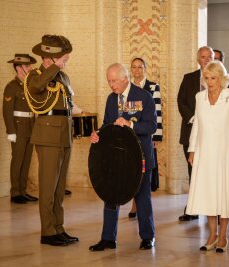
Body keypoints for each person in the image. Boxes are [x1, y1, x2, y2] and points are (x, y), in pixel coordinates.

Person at [89, 63, 157, 251]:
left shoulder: (144, 97)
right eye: (109, 81)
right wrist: (97, 134)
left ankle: (147, 237)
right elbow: (106, 124)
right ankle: (108, 238)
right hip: (116, 158)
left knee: (142, 198)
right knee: (111, 195)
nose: (111, 85)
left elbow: (152, 127)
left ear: (125, 78)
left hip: (139, 157)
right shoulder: (111, 99)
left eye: (114, 81)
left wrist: (130, 124)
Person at [26, 34, 78, 246]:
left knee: (58, 188)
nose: (66, 61)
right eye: (63, 58)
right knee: (48, 187)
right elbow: (36, 88)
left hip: (64, 133)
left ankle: (58, 227)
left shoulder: (62, 77)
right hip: (48, 135)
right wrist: (54, 67)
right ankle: (47, 232)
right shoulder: (36, 75)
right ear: (51, 57)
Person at [186, 61, 229, 252]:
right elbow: (196, 125)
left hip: (225, 151)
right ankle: (212, 234)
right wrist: (192, 150)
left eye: (213, 78)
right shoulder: (199, 97)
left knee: (224, 192)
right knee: (209, 193)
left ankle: (223, 235)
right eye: (207, 78)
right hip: (204, 151)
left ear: (221, 78)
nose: (210, 82)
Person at [177, 46, 214, 221]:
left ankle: (215, 208)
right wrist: (193, 118)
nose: (206, 60)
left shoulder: (224, 80)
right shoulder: (189, 78)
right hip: (191, 132)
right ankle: (192, 208)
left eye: (210, 57)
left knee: (213, 172)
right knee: (193, 172)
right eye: (203, 57)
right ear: (198, 59)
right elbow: (181, 101)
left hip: (214, 135)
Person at [128, 57, 163, 219]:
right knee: (133, 170)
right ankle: (133, 204)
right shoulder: (127, 88)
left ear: (145, 68)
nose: (136, 70)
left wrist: (156, 135)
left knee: (145, 171)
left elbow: (157, 111)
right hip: (130, 134)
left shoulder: (153, 86)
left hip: (146, 134)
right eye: (134, 67)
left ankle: (141, 205)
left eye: (140, 67)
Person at [3, 54, 39, 204]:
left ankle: (23, 190)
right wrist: (11, 131)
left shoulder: (29, 85)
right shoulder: (11, 86)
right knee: (18, 159)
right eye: (27, 66)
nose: (30, 68)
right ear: (18, 68)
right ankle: (15, 192)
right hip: (18, 126)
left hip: (31, 124)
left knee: (27, 159)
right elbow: (7, 110)